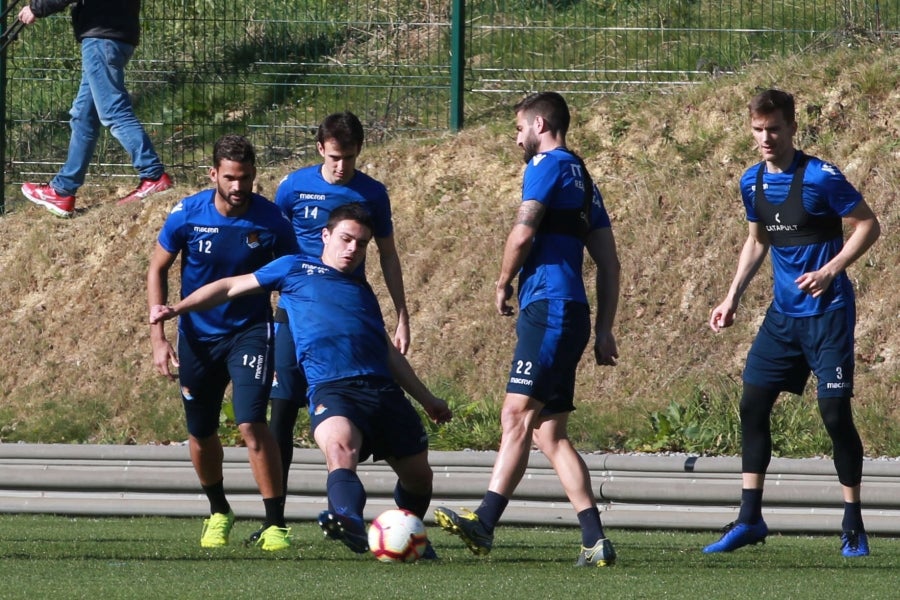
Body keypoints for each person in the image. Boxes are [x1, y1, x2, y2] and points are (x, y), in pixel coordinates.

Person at [149, 203, 452, 557]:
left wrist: (427, 398)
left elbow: (386, 351)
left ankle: (407, 531)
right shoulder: (295, 268)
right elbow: (230, 286)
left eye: (362, 243)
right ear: (325, 236)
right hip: (331, 388)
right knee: (340, 449)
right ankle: (348, 520)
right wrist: (179, 308)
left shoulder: (362, 290)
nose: (353, 249)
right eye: (346, 239)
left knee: (419, 477)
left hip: (381, 390)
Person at [433, 92, 621, 567]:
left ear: (540, 124)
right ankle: (595, 540)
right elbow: (610, 262)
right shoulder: (584, 180)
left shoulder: (545, 163)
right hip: (572, 313)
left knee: (515, 416)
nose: (517, 137)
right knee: (549, 434)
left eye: (519, 128)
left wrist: (501, 283)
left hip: (549, 309)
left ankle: (486, 522)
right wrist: (603, 329)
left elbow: (522, 231)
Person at [703, 88, 880, 558]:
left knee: (834, 414)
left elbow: (868, 224)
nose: (766, 137)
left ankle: (853, 523)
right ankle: (749, 519)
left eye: (774, 128)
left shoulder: (821, 176)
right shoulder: (752, 182)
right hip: (782, 319)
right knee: (752, 404)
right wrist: (732, 297)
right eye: (758, 129)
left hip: (827, 316)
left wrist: (830, 269)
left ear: (792, 128)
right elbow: (757, 241)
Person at [256, 111, 410, 541]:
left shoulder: (373, 194)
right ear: (320, 148)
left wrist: (401, 313)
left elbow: (388, 255)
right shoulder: (292, 187)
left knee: (353, 409)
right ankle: (275, 524)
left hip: (347, 316)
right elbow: (271, 239)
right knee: (281, 411)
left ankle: (343, 513)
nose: (342, 166)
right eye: (336, 157)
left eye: (351, 157)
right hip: (295, 311)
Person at [146, 134, 298, 551]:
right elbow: (157, 268)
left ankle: (275, 524)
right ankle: (219, 510)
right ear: (213, 174)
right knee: (201, 430)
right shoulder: (187, 215)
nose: (237, 186)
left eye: (245, 177)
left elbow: (295, 277)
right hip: (196, 335)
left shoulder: (272, 221)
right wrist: (159, 338)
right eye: (230, 177)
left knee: (250, 421)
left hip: (250, 332)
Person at [18, 0, 172, 218]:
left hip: (102, 37)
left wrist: (36, 8)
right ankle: (62, 191)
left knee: (114, 111)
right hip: (116, 34)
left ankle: (153, 175)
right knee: (84, 116)